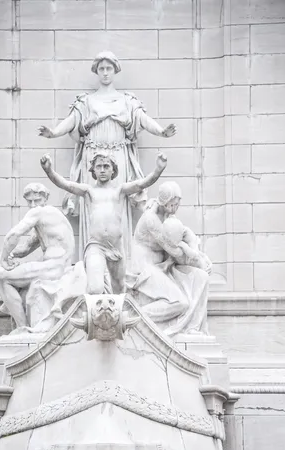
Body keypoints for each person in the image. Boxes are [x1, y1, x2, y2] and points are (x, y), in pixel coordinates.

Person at [38, 50, 177, 258]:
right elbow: (70, 123)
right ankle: (92, 261)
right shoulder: (86, 101)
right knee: (94, 205)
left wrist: (161, 132)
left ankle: (122, 263)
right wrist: (53, 133)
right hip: (92, 158)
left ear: (115, 70)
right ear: (96, 71)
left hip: (118, 157)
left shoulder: (126, 101)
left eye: (108, 68)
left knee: (117, 204)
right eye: (101, 68)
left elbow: (143, 119)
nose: (105, 73)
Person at [40, 151, 167, 295]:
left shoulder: (120, 190)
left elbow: (142, 183)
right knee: (95, 288)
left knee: (119, 288)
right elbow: (66, 185)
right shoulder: (89, 191)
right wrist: (48, 170)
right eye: (99, 166)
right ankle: (91, 312)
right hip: (96, 246)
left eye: (106, 166)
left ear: (113, 169)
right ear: (93, 169)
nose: (102, 170)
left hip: (116, 247)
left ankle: (115, 316)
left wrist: (158, 169)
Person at [0, 183, 85, 334]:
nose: (34, 205)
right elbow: (25, 248)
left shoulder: (40, 213)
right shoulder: (48, 220)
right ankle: (23, 325)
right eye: (30, 201)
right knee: (3, 274)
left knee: (2, 278)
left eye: (37, 200)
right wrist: (9, 257)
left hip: (55, 267)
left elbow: (12, 236)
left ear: (45, 199)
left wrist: (3, 260)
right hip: (49, 266)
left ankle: (23, 328)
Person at [128, 181, 211, 336]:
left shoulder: (167, 216)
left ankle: (192, 327)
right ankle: (130, 318)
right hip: (144, 269)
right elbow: (175, 250)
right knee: (179, 302)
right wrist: (197, 259)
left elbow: (185, 235)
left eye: (176, 205)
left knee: (201, 277)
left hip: (164, 266)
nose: (174, 209)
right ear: (163, 202)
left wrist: (199, 256)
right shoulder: (151, 219)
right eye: (172, 205)